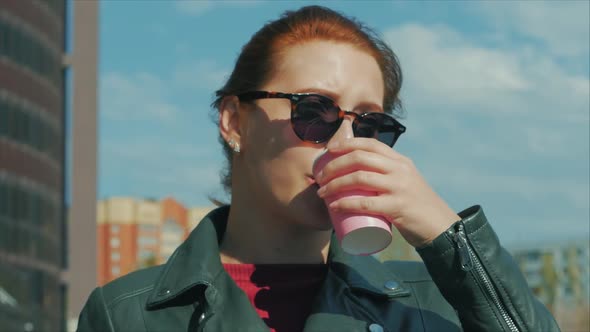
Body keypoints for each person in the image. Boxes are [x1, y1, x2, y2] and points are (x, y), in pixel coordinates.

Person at [77, 5, 560, 332]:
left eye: (370, 124)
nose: (346, 142)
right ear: (234, 121)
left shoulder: (427, 303)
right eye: (314, 111)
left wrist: (443, 231)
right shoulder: (131, 314)